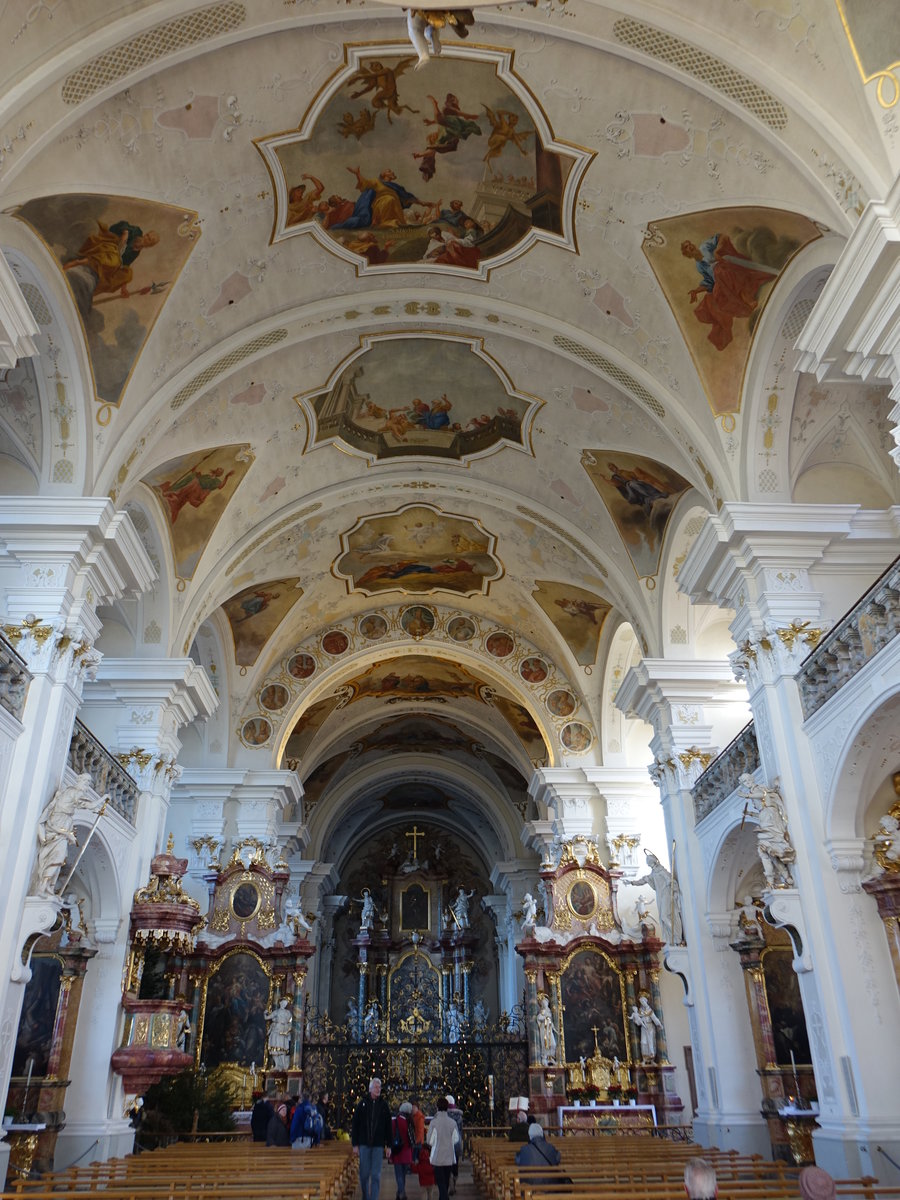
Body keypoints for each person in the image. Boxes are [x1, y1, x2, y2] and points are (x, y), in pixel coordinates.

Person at [351, 1077, 393, 1200]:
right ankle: (365, 1196)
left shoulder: (384, 1105)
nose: (378, 1089)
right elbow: (355, 1124)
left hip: (378, 1145)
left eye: (379, 1087)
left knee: (376, 1175)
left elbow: (388, 1127)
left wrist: (389, 1145)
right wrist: (355, 1144)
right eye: (376, 1087)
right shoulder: (362, 1104)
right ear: (370, 1089)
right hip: (364, 1144)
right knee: (363, 1175)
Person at [632, 850, 684, 944]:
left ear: (654, 862)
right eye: (649, 865)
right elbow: (644, 880)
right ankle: (672, 937)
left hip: (666, 895)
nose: (650, 866)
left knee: (665, 916)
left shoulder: (661, 871)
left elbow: (670, 880)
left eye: (650, 863)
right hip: (660, 895)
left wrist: (670, 882)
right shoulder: (654, 873)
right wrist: (632, 882)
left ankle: (676, 936)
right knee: (663, 917)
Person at [427, 1097, 459, 1200]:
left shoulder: (434, 1122)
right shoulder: (452, 1122)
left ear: (437, 1107)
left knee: (441, 1186)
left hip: (438, 1158)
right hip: (449, 1157)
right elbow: (456, 1139)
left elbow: (429, 1141)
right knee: (445, 1185)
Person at [390, 1100, 415, 1200]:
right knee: (403, 1175)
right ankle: (400, 1192)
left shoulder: (395, 1121)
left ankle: (402, 1192)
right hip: (407, 1151)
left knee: (399, 1175)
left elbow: (390, 1136)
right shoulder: (409, 1121)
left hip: (397, 1151)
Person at [630, 994, 663, 1062]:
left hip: (650, 1026)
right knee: (643, 1042)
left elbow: (654, 1018)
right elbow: (639, 1021)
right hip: (643, 1028)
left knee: (650, 1041)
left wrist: (659, 1024)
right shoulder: (640, 1011)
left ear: (646, 1002)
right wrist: (636, 1020)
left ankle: (652, 1057)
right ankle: (645, 1058)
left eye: (643, 1002)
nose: (642, 1004)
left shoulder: (649, 1010)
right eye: (641, 1003)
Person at [265, 998, 292, 1071]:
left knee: (282, 1048)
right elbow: (267, 1018)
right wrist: (265, 1013)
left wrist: (288, 1030)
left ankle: (283, 1065)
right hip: (276, 1030)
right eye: (283, 1003)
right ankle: (277, 1065)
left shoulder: (288, 1012)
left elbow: (291, 1023)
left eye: (285, 1003)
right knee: (274, 1047)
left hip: (283, 1031)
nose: (284, 1004)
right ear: (280, 1003)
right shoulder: (276, 1012)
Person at [444, 1095, 463, 1194]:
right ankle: (453, 1182)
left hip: (446, 1144)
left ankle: (449, 1181)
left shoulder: (443, 1116)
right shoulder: (459, 1116)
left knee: (447, 1164)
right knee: (455, 1165)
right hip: (456, 1143)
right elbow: (460, 1131)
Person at [535, 994, 557, 1065]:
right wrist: (545, 1017)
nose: (545, 1003)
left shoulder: (548, 1010)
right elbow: (538, 1018)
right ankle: (545, 1057)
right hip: (544, 1029)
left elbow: (551, 1020)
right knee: (546, 1043)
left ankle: (551, 1057)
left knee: (553, 1044)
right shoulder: (543, 1011)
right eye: (544, 1002)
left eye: (546, 1002)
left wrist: (554, 1029)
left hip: (549, 1028)